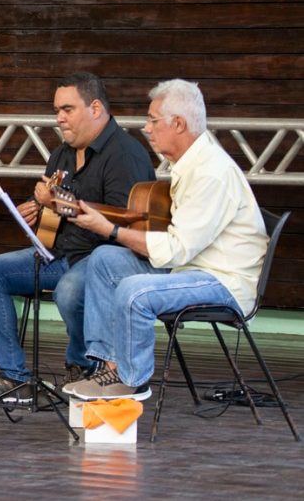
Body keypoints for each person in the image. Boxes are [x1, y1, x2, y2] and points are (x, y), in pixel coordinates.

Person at [63, 79, 268, 401]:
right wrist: (110, 232)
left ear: (179, 123)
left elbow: (176, 250)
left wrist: (111, 229)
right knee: (104, 260)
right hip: (192, 269)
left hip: (224, 282)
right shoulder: (190, 165)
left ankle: (132, 380)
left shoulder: (210, 172)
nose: (146, 128)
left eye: (153, 120)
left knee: (134, 289)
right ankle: (109, 366)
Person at [0, 72, 155, 403]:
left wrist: (55, 202)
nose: (59, 117)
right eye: (57, 109)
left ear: (96, 108)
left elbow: (118, 218)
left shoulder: (125, 154)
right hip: (60, 254)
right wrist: (37, 212)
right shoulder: (62, 154)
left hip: (106, 259)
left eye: (68, 109)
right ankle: (14, 377)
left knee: (70, 291)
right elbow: (53, 216)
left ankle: (86, 366)